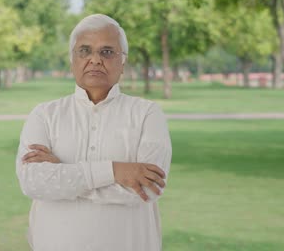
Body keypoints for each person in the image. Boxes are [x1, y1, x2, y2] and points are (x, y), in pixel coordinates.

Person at [16, 14, 172, 251]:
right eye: (85, 51)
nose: (95, 60)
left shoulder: (147, 115)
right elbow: (34, 182)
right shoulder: (45, 115)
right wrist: (114, 170)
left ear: (123, 62)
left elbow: (147, 190)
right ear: (72, 60)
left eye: (107, 52)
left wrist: (63, 173)